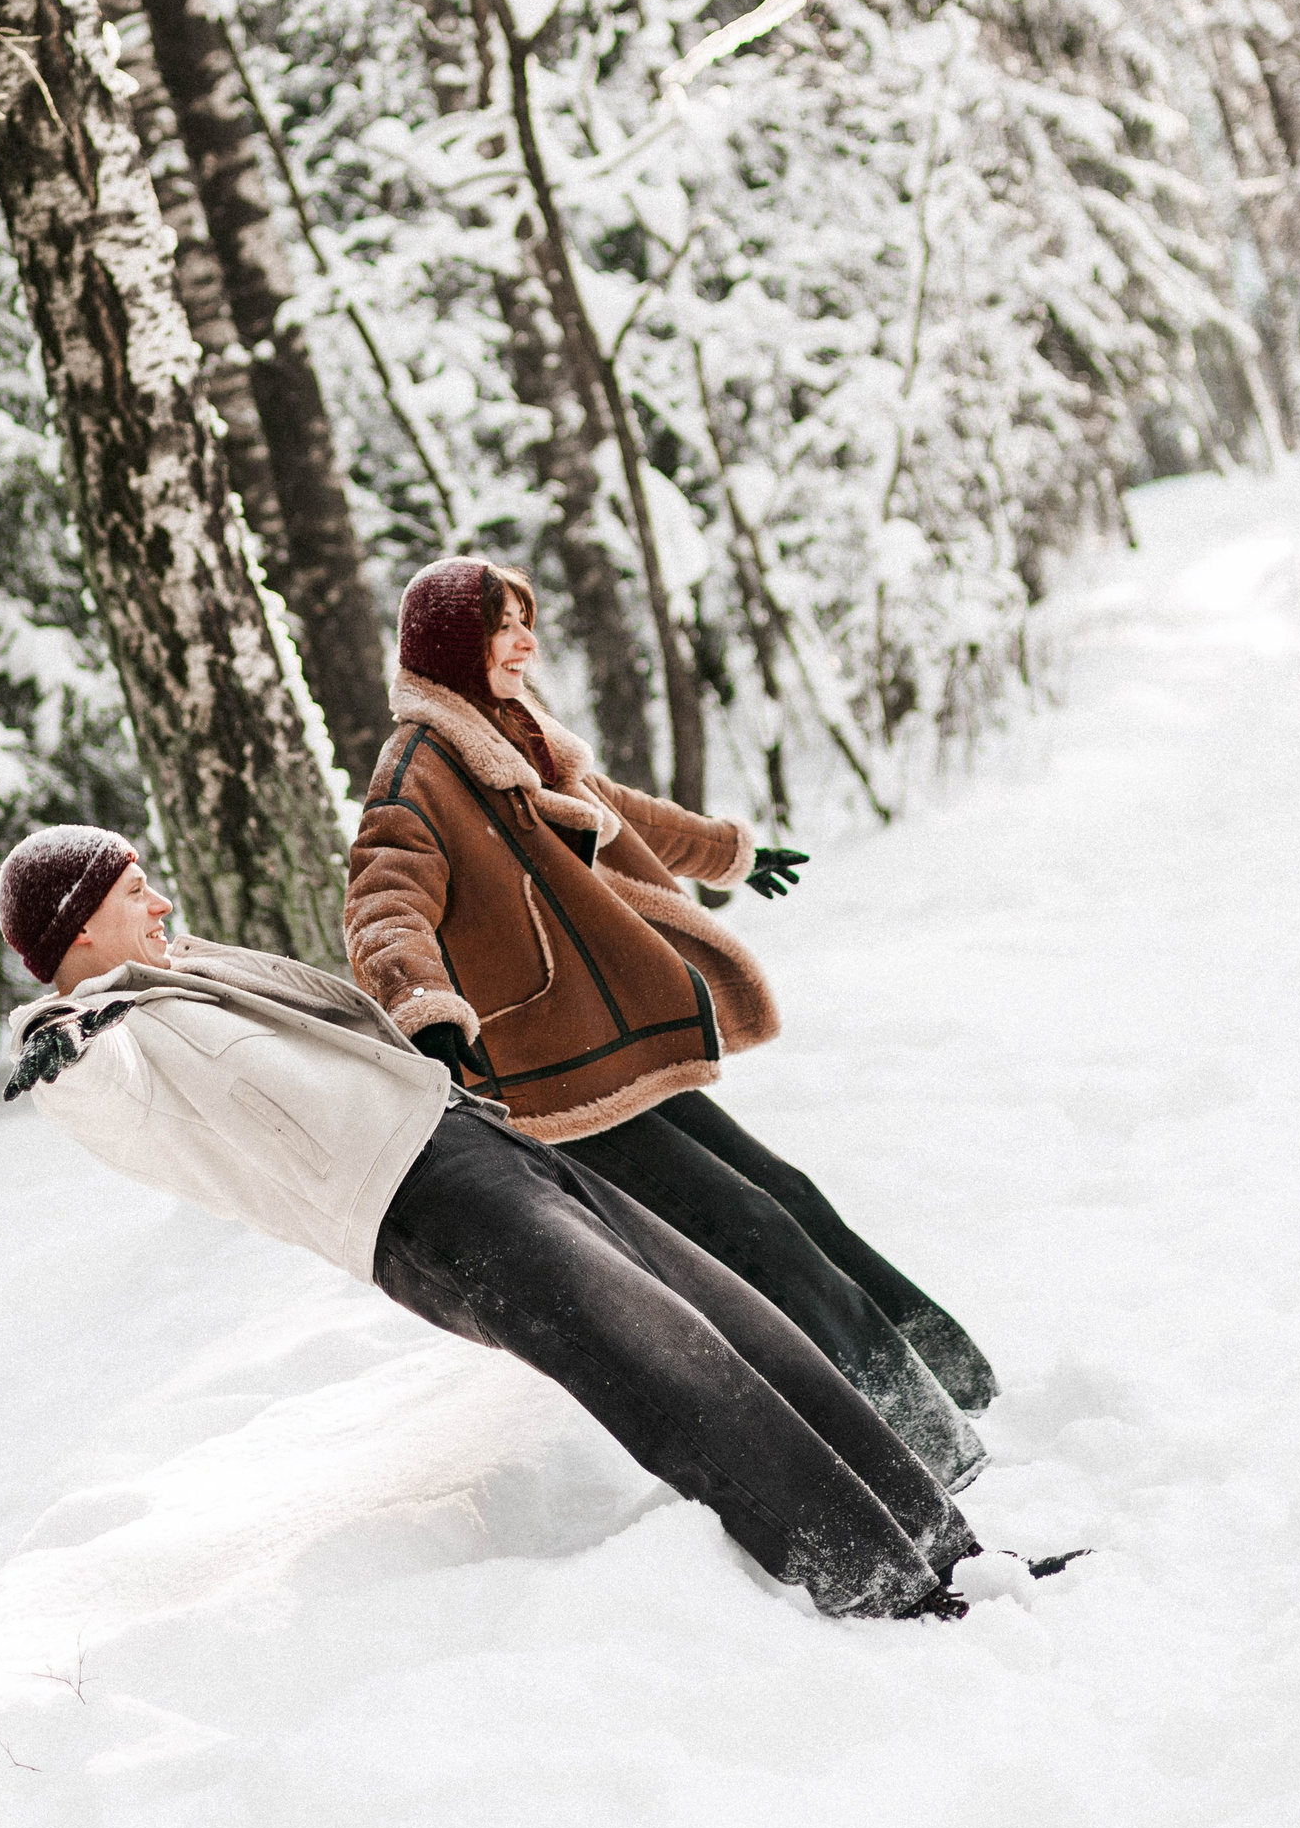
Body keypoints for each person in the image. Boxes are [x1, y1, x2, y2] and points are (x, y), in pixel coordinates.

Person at [0, 821, 981, 1624]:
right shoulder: (104, 1039)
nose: (162, 904)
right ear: (78, 930)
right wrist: (65, 1042)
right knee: (674, 1372)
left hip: (478, 1141)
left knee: (731, 1318)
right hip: (427, 1211)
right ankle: (880, 1584)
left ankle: (938, 1543)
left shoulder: (185, 977)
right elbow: (104, 1084)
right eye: (135, 894)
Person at [345, 558, 999, 1486]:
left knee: (787, 1197)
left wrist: (733, 854)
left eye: (527, 620)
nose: (527, 643)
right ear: (454, 645)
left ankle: (951, 1381)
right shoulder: (416, 773)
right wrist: (425, 1010)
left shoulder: (517, 735)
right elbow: (383, 905)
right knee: (751, 1231)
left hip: (612, 1052)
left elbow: (623, 814)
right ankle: (918, 1434)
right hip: (551, 1079)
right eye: (505, 626)